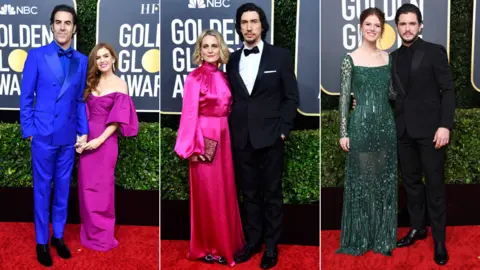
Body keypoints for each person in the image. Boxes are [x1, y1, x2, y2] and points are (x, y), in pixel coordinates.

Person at [226, 3, 299, 269]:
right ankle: (253, 241)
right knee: (249, 194)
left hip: (270, 138)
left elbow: (290, 97)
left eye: (253, 21)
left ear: (262, 25)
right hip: (241, 139)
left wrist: (283, 131)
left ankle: (271, 246)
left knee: (272, 194)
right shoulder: (231, 60)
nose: (248, 27)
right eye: (244, 22)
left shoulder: (279, 56)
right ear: (239, 26)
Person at [19, 4, 88, 267]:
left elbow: (80, 101)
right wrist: (30, 132)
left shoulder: (81, 60)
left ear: (74, 28)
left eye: (67, 23)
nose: (62, 27)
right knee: (41, 191)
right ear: (52, 26)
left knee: (61, 191)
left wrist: (82, 132)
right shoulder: (37, 56)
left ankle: (58, 236)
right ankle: (41, 240)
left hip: (68, 136)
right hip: (43, 135)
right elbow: (26, 99)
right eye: (58, 22)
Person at [174, 29, 245, 267]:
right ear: (200, 50)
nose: (211, 50)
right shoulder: (194, 77)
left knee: (225, 190)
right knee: (207, 194)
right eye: (206, 46)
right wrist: (192, 147)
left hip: (224, 138)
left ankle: (228, 243)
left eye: (215, 46)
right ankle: (208, 247)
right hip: (203, 139)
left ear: (221, 49)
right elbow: (190, 114)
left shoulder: (225, 78)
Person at [392, 4, 455, 265]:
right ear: (397, 27)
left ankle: (439, 239)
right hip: (403, 132)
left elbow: (448, 91)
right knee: (411, 185)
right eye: (402, 24)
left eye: (411, 23)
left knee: (435, 187)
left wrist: (445, 125)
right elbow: (393, 96)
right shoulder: (392, 58)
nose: (407, 28)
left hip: (431, 132)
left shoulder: (434, 52)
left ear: (420, 25)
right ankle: (418, 228)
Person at [337, 7, 397, 256]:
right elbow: (343, 99)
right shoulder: (349, 58)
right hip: (360, 125)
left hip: (386, 124)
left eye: (377, 25)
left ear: (382, 29)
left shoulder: (389, 58)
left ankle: (382, 235)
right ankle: (360, 236)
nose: (373, 29)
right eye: (368, 24)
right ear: (360, 27)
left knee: (383, 182)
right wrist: (343, 131)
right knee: (363, 183)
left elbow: (393, 94)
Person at [76, 43, 139, 252]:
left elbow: (117, 120)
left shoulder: (121, 85)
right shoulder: (89, 82)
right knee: (86, 188)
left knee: (102, 189)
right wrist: (81, 139)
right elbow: (80, 112)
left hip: (105, 142)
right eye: (98, 57)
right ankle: (90, 231)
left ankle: (103, 235)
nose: (102, 60)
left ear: (113, 58)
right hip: (87, 139)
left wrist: (98, 140)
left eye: (106, 56)